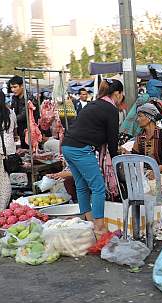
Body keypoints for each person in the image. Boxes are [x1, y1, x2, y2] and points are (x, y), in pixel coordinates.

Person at [62, 79, 123, 236]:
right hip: (80, 149)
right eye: (122, 95)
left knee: (81, 186)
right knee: (98, 187)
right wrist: (116, 160)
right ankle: (100, 227)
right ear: (117, 94)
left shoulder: (93, 104)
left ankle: (88, 224)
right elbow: (112, 140)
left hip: (67, 146)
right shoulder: (111, 109)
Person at [10, 75, 38, 149]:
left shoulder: (29, 98)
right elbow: (12, 111)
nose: (13, 90)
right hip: (19, 131)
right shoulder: (14, 98)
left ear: (22, 86)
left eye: (15, 87)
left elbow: (24, 115)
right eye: (11, 87)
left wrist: (11, 119)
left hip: (29, 131)